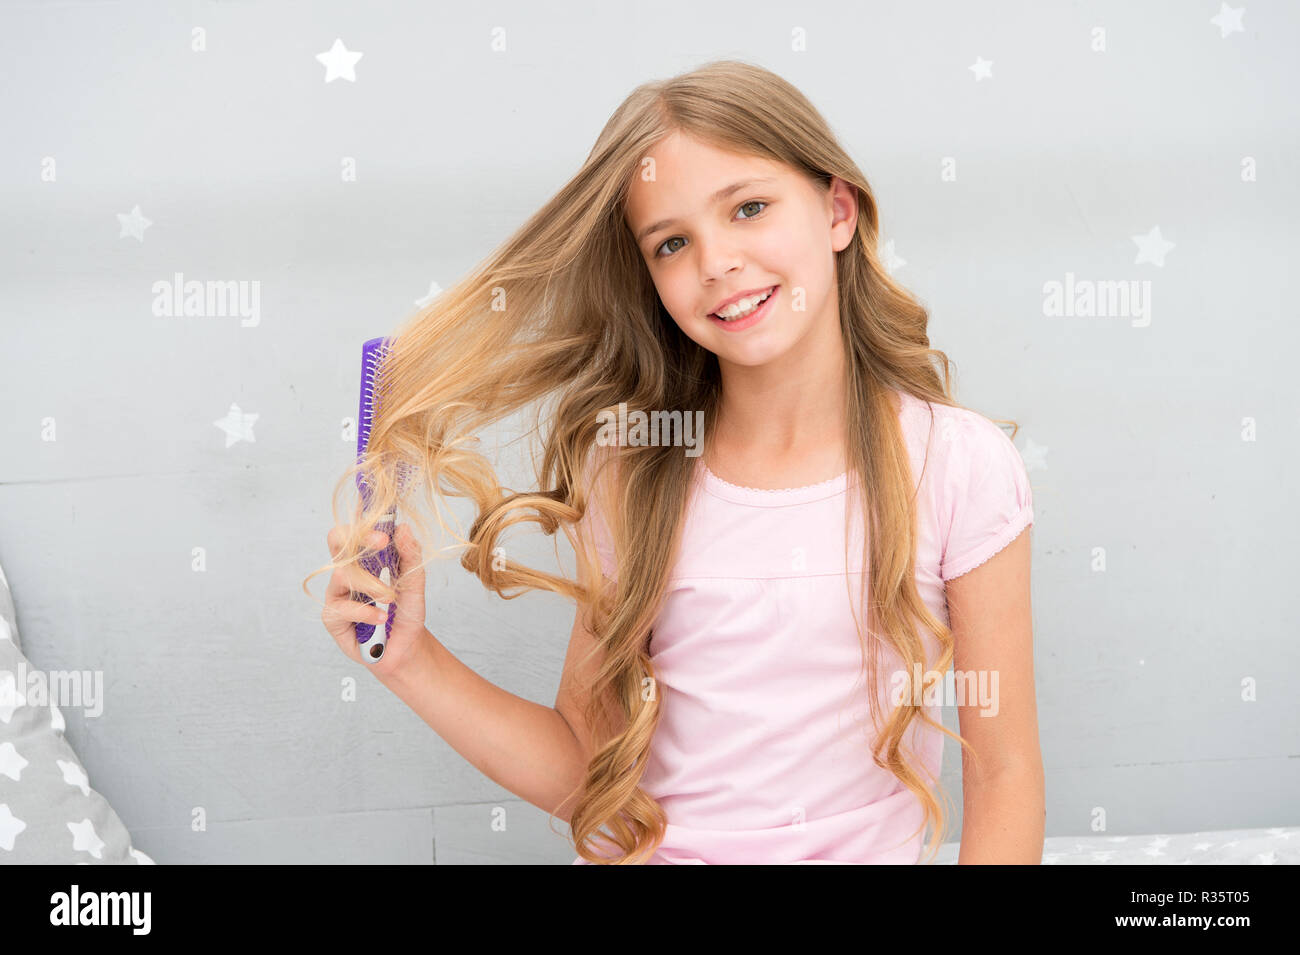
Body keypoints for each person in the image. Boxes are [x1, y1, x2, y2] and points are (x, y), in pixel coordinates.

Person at [305, 59, 1043, 865]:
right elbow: (587, 768)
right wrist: (412, 659)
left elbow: (1004, 776)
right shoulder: (633, 471)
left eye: (750, 208)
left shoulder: (958, 465)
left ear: (837, 209)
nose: (716, 261)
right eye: (672, 243)